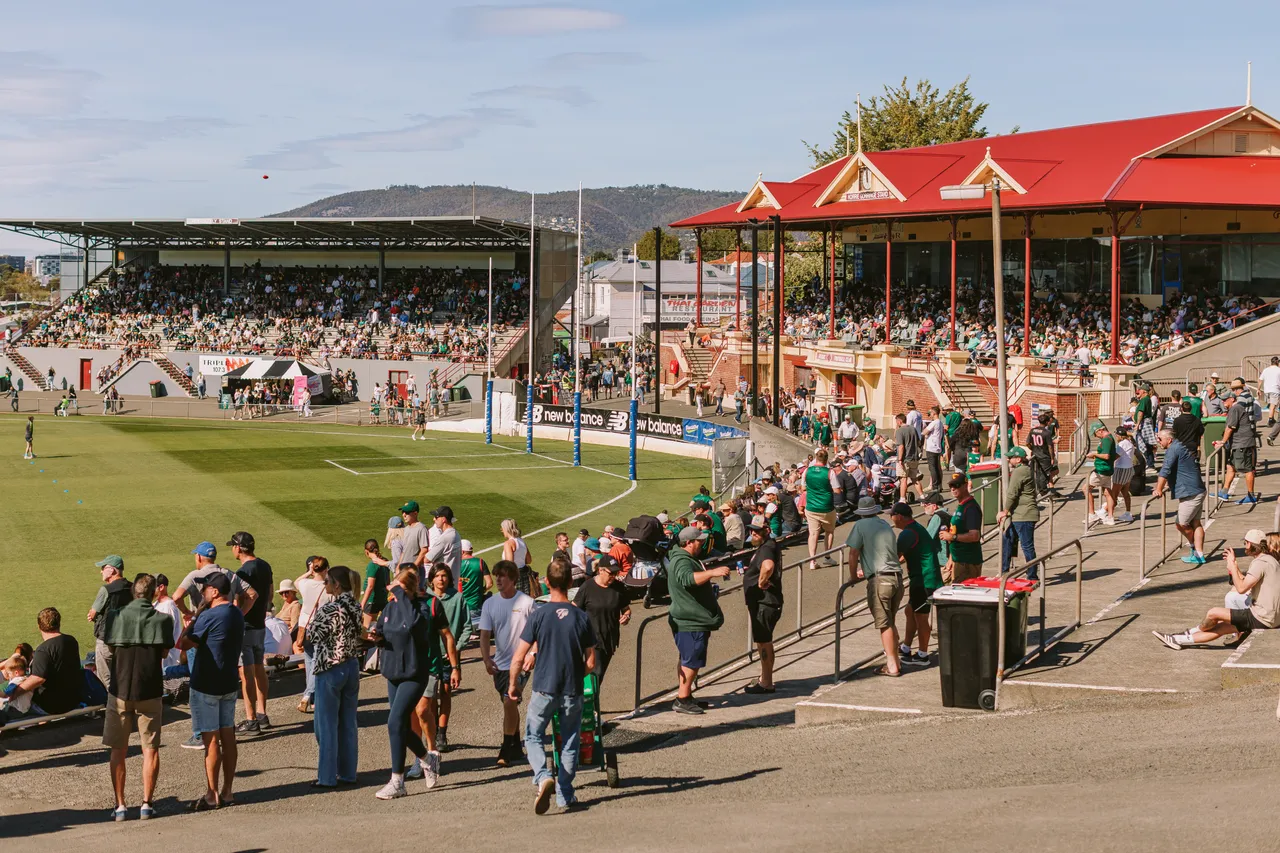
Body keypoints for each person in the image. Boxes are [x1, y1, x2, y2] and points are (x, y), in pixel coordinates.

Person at [512, 558, 597, 815]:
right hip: (572, 689)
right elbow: (591, 662)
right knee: (570, 740)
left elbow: (519, 657)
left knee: (533, 735)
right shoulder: (581, 617)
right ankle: (564, 793)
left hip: (544, 687)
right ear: (571, 582)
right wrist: (574, 673)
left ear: (546, 582)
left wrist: (514, 685)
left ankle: (542, 775)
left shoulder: (539, 615)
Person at [371, 566, 460, 799]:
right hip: (393, 672)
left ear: (408, 590)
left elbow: (412, 626)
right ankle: (428, 758)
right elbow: (383, 631)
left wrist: (402, 594)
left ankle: (397, 781)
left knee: (394, 722)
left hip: (415, 673)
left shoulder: (420, 609)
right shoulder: (390, 607)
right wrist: (376, 636)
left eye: (397, 589)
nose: (392, 593)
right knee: (399, 724)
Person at [103, 573, 174, 822]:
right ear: (155, 592)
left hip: (120, 690)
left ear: (134, 591)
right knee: (150, 749)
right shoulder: (162, 620)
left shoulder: (116, 617)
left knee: (118, 750)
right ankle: (146, 804)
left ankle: (120, 805)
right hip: (150, 690)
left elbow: (110, 648)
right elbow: (165, 652)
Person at [177, 572, 244, 811]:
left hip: (206, 684)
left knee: (211, 739)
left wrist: (195, 617)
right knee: (228, 736)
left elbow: (184, 643)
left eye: (206, 589)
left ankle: (212, 794)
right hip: (228, 682)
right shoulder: (236, 612)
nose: (203, 592)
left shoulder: (208, 615)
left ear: (215, 592)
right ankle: (227, 791)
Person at [1154, 531, 1280, 650]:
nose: (1244, 547)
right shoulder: (1271, 561)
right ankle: (1178, 640)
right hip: (1271, 618)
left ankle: (1191, 631)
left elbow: (1241, 588)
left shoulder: (1260, 563)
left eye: (1246, 543)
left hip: (1261, 617)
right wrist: (1234, 567)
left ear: (1252, 545)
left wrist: (1232, 565)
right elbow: (1247, 583)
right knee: (1220, 628)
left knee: (1213, 613)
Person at [307, 565, 362, 789]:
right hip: (351, 665)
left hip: (330, 667)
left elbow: (313, 635)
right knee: (348, 723)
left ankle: (327, 777)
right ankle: (348, 772)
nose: (325, 584)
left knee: (326, 726)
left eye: (328, 581)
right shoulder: (356, 605)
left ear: (336, 585)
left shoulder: (330, 609)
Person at [479, 560, 537, 766]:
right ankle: (517, 746)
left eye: (503, 576)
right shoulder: (490, 604)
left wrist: (533, 654)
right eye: (497, 576)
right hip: (500, 664)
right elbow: (484, 635)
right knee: (509, 706)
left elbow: (539, 632)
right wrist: (487, 659)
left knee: (509, 701)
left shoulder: (527, 603)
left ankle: (505, 749)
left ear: (513, 579)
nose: (498, 580)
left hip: (521, 663)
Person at [667, 526, 730, 714]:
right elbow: (687, 579)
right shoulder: (681, 561)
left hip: (691, 619)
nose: (702, 544)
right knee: (692, 660)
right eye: (699, 541)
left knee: (688, 659)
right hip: (690, 621)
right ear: (688, 543)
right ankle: (682, 699)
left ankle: (685, 695)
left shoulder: (685, 558)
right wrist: (712, 573)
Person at [845, 496, 903, 677]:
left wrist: (853, 576)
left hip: (880, 579)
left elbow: (853, 553)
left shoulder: (860, 526)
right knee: (890, 620)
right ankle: (896, 660)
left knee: (884, 623)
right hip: (896, 577)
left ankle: (892, 665)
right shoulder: (885, 525)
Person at [229, 531, 273, 735]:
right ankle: (262, 714)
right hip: (260, 624)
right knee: (258, 669)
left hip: (246, 626)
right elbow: (270, 593)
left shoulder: (243, 571)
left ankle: (251, 719)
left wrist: (239, 614)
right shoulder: (265, 565)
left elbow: (243, 597)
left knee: (245, 672)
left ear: (238, 547)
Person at [3, 608, 82, 720]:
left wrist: (15, 693)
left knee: (9, 707)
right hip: (73, 700)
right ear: (59, 622)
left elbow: (38, 679)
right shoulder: (71, 641)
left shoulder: (43, 650)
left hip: (51, 706)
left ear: (39, 626)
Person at [891, 502, 942, 666]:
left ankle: (923, 654)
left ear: (898, 516)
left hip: (924, 580)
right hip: (921, 578)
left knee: (921, 617)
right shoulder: (915, 528)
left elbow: (894, 557)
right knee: (909, 611)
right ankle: (906, 647)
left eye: (892, 515)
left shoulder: (907, 533)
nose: (891, 519)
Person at [428, 563, 468, 752]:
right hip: (429, 655)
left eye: (444, 576)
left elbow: (467, 627)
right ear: (432, 579)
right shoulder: (426, 599)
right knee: (428, 697)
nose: (441, 579)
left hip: (448, 657)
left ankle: (442, 733)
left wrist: (456, 648)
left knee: (445, 692)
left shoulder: (458, 598)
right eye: (438, 576)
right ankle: (433, 727)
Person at [572, 554, 630, 684]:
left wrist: (626, 616)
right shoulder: (587, 587)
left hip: (609, 639)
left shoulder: (618, 587)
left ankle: (588, 701)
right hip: (591, 640)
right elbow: (574, 610)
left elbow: (626, 608)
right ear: (601, 570)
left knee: (599, 675)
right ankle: (585, 701)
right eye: (611, 573)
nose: (613, 576)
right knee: (594, 675)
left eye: (616, 573)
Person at [1153, 428, 1207, 565]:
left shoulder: (1173, 449)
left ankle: (1194, 548)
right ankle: (1199, 554)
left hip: (1191, 493)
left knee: (1180, 524)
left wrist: (1158, 489)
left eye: (1160, 438)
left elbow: (1165, 470)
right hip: (1196, 489)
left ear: (1169, 440)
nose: (1157, 441)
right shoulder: (1178, 447)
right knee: (1195, 523)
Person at [742, 520, 782, 692]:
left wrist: (761, 582)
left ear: (766, 530)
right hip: (766, 602)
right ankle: (765, 677)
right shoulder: (768, 545)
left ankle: (766, 683)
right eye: (751, 531)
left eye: (757, 531)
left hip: (764, 603)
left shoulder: (766, 548)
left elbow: (768, 566)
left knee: (763, 643)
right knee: (765, 641)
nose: (753, 534)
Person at [88, 555, 133, 696]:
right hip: (127, 639)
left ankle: (112, 707)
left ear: (112, 570)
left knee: (105, 677)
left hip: (106, 639)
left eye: (103, 568)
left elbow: (92, 614)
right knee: (124, 674)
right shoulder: (132, 587)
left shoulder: (106, 590)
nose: (101, 571)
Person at [293, 556, 332, 713]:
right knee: (316, 664)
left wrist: (308, 573)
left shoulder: (306, 584)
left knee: (310, 663)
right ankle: (308, 696)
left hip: (305, 628)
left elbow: (297, 582)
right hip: (320, 629)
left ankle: (313, 698)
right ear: (326, 569)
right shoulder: (328, 588)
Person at [996, 448, 1040, 580]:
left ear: (1019, 459)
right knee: (1007, 539)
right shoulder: (1026, 469)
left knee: (1026, 545)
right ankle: (1004, 571)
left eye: (1011, 458)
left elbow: (1012, 493)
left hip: (1024, 514)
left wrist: (1005, 511)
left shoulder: (1019, 471)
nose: (1008, 460)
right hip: (1020, 514)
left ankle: (1032, 575)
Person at [1216, 379, 1259, 505]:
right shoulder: (1235, 408)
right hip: (1239, 443)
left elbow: (1230, 427)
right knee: (1231, 466)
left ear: (1232, 399)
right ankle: (1224, 491)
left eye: (1225, 400)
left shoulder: (1235, 409)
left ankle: (1251, 496)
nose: (1223, 402)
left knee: (1247, 469)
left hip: (1243, 443)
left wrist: (1223, 442)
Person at [938, 475, 984, 583]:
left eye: (956, 485)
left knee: (965, 595)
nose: (953, 489)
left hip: (967, 562)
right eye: (951, 486)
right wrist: (951, 558)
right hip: (958, 560)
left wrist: (952, 537)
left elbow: (975, 536)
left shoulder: (971, 508)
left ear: (965, 486)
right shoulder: (961, 505)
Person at [804, 448, 837, 571]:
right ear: (826, 459)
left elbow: (803, 487)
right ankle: (827, 557)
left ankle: (812, 561)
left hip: (811, 506)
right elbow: (837, 489)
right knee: (829, 531)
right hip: (827, 506)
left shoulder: (807, 471)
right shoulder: (830, 472)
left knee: (813, 533)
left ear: (816, 458)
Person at [1085, 421, 1118, 526]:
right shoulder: (1110, 439)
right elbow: (1115, 455)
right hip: (1108, 469)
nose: (1095, 436)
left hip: (1102, 470)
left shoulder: (1106, 440)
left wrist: (1094, 454)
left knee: (1086, 489)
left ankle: (1092, 514)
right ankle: (1110, 517)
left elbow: (1106, 455)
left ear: (1100, 430)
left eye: (1095, 434)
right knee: (1108, 493)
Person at [457, 539, 491, 628]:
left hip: (461, 606)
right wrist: (481, 591)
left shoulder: (456, 564)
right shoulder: (480, 562)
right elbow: (489, 583)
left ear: (462, 551)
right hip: (476, 605)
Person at [361, 538, 391, 629]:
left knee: (368, 627)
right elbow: (388, 582)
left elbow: (370, 586)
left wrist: (362, 603)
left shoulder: (372, 565)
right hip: (383, 599)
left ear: (366, 552)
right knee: (379, 626)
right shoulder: (385, 561)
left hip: (372, 601)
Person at [893, 412, 923, 503]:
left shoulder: (899, 431)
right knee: (915, 479)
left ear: (899, 421)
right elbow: (918, 442)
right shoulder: (913, 429)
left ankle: (902, 499)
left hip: (905, 459)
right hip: (914, 457)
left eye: (896, 421)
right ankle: (922, 496)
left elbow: (901, 446)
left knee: (903, 479)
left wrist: (900, 459)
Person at [426, 505, 462, 573]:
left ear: (443, 519)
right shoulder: (456, 534)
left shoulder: (445, 538)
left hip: (444, 580)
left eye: (436, 517)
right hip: (453, 577)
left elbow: (427, 559)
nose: (434, 519)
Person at [1112, 426, 1136, 523]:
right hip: (1129, 469)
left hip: (1121, 469)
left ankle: (1108, 512)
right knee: (1125, 492)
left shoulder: (1121, 444)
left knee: (1114, 493)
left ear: (1119, 435)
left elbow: (1115, 456)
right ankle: (1128, 512)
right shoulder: (1129, 443)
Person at [1027, 413, 1054, 497]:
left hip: (1035, 455)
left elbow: (1027, 443)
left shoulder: (1032, 430)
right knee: (1044, 475)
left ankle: (1038, 491)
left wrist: (1033, 449)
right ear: (1046, 422)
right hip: (1045, 456)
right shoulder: (1047, 433)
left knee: (1037, 474)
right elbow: (1050, 446)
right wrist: (1052, 457)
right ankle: (1043, 493)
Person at [398, 500, 432, 568]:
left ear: (415, 513)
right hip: (405, 568)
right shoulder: (406, 529)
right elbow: (404, 551)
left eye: (407, 512)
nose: (404, 515)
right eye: (403, 512)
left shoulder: (421, 528)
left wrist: (414, 567)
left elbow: (424, 550)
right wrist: (398, 567)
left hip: (415, 570)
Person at [1260, 356, 1280, 427]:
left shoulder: (1266, 370)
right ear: (1277, 362)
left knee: (1272, 405)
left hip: (1266, 390)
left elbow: (1260, 379)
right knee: (1272, 405)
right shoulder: (1278, 370)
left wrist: (1258, 389)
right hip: (1275, 389)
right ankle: (1270, 420)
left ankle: (1272, 419)